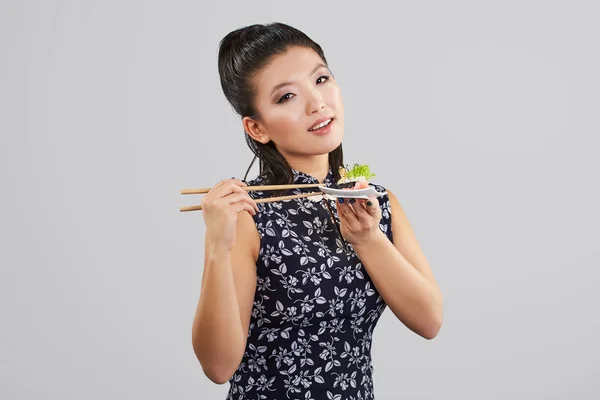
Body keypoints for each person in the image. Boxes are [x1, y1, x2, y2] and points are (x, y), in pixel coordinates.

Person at [191, 22, 444, 400]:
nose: (316, 103)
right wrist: (217, 246)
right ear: (257, 128)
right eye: (286, 97)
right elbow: (218, 366)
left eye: (321, 80)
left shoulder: (377, 202)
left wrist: (368, 239)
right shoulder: (247, 212)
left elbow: (429, 321)